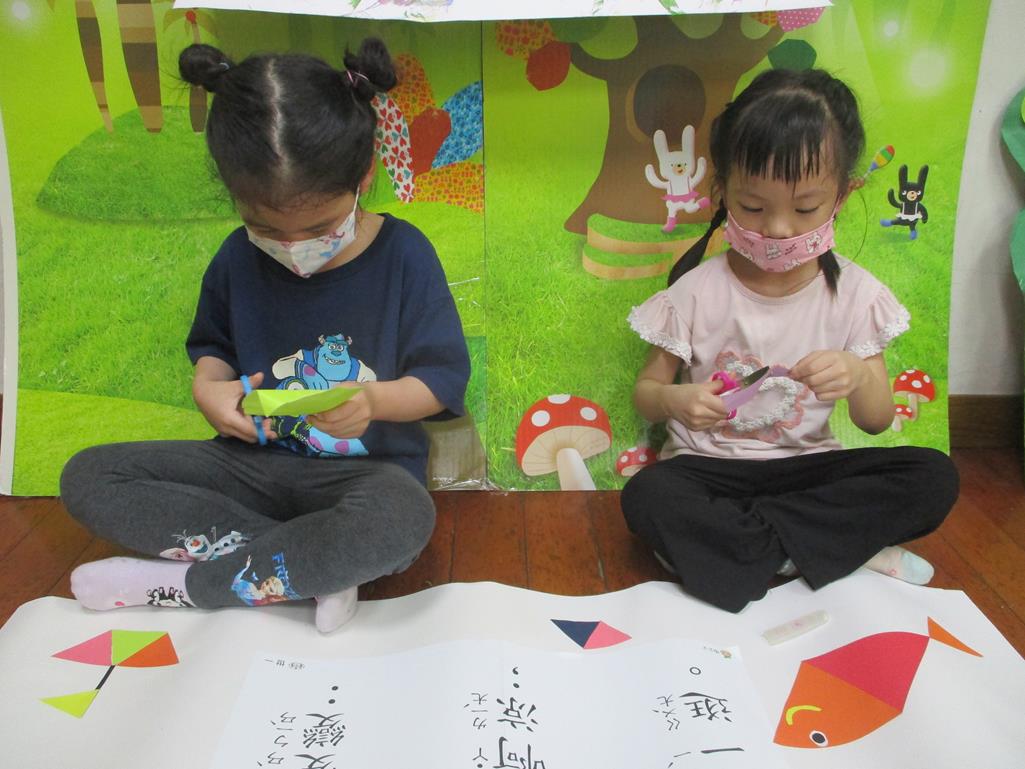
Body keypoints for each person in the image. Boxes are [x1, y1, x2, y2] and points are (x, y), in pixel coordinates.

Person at [59, 39, 471, 632]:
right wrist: (208, 390)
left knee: (403, 517)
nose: (292, 246)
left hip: (362, 479)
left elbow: (441, 379)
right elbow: (214, 352)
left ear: (364, 175)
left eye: (318, 226)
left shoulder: (405, 255)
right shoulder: (236, 259)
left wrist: (373, 401)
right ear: (235, 196)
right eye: (264, 227)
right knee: (89, 477)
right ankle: (309, 565)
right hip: (247, 470)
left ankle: (186, 586)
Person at [621, 69, 958, 613]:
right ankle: (835, 549)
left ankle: (740, 553)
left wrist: (857, 374)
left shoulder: (857, 295)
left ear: (843, 196)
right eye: (754, 207)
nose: (778, 228)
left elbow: (876, 420)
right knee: (648, 495)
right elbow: (647, 391)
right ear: (722, 191)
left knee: (933, 477)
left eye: (804, 209)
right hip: (709, 470)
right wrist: (675, 399)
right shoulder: (696, 290)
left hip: (807, 472)